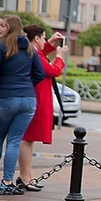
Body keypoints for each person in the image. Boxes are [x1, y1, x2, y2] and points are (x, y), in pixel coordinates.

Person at [0, 15, 45, 195]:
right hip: (28, 100)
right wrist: (26, 85)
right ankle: (7, 182)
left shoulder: (0, 47)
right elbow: (39, 73)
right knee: (14, 141)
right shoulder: (30, 48)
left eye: (2, 25)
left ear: (10, 28)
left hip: (5, 98)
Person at [15, 26, 67, 191]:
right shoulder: (34, 54)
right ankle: (24, 176)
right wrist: (59, 56)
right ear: (36, 39)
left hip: (38, 98)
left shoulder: (34, 52)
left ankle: (27, 175)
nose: (45, 41)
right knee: (27, 138)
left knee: (30, 139)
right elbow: (52, 70)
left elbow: (43, 55)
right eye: (44, 38)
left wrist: (51, 43)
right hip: (35, 98)